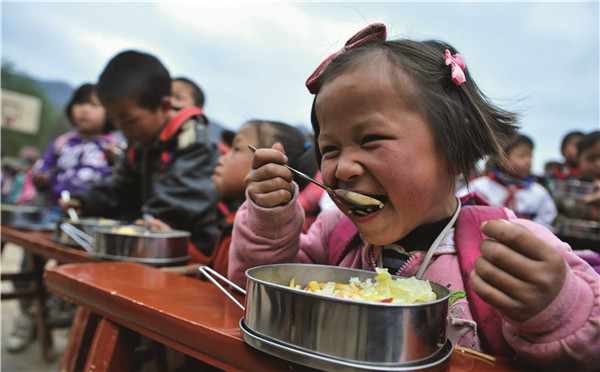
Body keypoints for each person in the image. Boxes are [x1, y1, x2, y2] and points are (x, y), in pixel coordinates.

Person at [226, 23, 599, 370]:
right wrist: (269, 220)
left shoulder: (505, 246)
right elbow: (261, 297)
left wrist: (555, 308)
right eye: (330, 149)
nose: (342, 169)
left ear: (454, 150)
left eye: (371, 140)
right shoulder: (332, 235)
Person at [60, 50, 223, 258]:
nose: (122, 128)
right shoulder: (139, 143)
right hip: (148, 242)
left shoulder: (193, 141)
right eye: (114, 120)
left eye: (129, 121)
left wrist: (138, 225)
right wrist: (86, 202)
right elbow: (123, 190)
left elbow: (179, 204)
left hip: (192, 250)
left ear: (164, 106)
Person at [5, 83, 123, 353]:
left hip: (89, 220)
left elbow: (118, 184)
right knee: (30, 262)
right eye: (80, 103)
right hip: (52, 216)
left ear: (110, 111)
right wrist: (42, 181)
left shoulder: (115, 145)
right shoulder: (62, 142)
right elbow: (42, 170)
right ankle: (26, 314)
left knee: (71, 272)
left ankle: (60, 317)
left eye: (94, 105)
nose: (84, 110)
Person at [204, 119, 319, 276]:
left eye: (236, 148)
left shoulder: (282, 235)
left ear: (273, 166)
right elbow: (216, 277)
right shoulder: (238, 219)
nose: (221, 158)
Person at [456, 134, 557, 230]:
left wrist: (530, 230)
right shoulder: (480, 186)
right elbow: (459, 205)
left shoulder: (538, 192)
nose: (528, 161)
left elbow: (547, 217)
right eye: (522, 155)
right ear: (501, 158)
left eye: (530, 156)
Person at [552, 130, 600, 252]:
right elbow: (552, 215)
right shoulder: (568, 187)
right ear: (579, 160)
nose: (598, 164)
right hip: (573, 251)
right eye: (590, 159)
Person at [171, 76, 229, 153]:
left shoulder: (197, 145)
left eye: (178, 98)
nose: (170, 101)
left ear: (198, 109)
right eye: (167, 94)